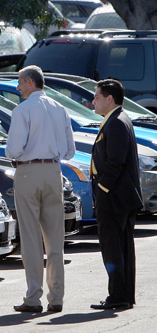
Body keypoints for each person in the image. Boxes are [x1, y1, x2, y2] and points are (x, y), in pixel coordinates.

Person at [5, 65, 75, 313]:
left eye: (20, 82)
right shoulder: (60, 108)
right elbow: (70, 150)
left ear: (29, 82)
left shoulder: (22, 109)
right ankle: (56, 298)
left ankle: (33, 297)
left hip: (28, 172)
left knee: (31, 238)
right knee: (55, 239)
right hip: (54, 171)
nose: (18, 87)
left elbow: (13, 149)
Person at [89, 79, 142, 310]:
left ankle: (118, 296)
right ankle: (123, 295)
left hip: (114, 198)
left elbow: (116, 163)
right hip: (118, 196)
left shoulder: (117, 123)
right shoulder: (115, 119)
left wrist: (102, 188)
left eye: (97, 97)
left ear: (109, 99)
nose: (93, 102)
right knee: (120, 248)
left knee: (113, 248)